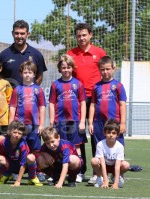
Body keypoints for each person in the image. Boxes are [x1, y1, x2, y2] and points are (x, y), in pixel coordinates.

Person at [67, 23, 106, 183]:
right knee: (79, 135)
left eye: (84, 35)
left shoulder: (99, 52)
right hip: (78, 100)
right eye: (78, 36)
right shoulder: (71, 54)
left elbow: (106, 72)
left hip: (97, 98)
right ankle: (79, 170)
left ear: (90, 35)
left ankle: (97, 172)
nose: (81, 38)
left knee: (97, 135)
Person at [9, 60, 46, 181]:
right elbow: (13, 107)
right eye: (25, 72)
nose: (27, 75)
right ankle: (15, 171)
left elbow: (42, 107)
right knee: (18, 149)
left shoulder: (38, 90)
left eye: (30, 72)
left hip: (34, 125)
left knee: (35, 150)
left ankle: (37, 171)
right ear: (21, 74)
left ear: (34, 74)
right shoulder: (17, 89)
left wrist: (41, 124)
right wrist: (11, 124)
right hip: (20, 126)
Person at [49, 54, 87, 163]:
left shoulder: (78, 84)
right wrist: (52, 121)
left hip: (75, 120)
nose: (66, 70)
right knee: (58, 145)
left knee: (76, 146)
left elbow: (83, 103)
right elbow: (52, 103)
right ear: (60, 69)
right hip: (60, 121)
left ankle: (78, 170)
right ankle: (58, 171)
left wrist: (83, 121)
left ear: (72, 68)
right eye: (64, 67)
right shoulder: (55, 85)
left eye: (69, 67)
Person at [0, 120, 43, 187]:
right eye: (15, 132)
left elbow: (23, 165)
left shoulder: (23, 145)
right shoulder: (3, 142)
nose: (17, 135)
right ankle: (7, 174)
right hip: (10, 165)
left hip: (23, 167)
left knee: (31, 157)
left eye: (19, 133)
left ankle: (32, 177)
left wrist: (18, 181)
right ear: (9, 132)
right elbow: (1, 156)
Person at [88, 56, 127, 146]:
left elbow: (122, 105)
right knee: (100, 148)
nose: (105, 72)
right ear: (99, 70)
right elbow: (93, 105)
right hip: (98, 122)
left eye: (108, 69)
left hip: (114, 122)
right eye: (102, 69)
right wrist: (90, 123)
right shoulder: (96, 86)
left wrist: (123, 123)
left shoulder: (118, 86)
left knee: (117, 148)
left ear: (113, 69)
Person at [0, 20, 47, 88]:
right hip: (10, 97)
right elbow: (0, 78)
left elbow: (39, 77)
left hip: (30, 97)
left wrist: (29, 91)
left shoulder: (37, 55)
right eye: (16, 33)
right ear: (12, 33)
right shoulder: (4, 55)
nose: (19, 36)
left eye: (22, 33)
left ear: (28, 34)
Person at [90, 119, 130, 189]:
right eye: (108, 132)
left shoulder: (120, 146)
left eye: (113, 133)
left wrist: (116, 183)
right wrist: (105, 180)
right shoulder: (100, 144)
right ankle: (100, 178)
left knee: (126, 165)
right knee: (94, 161)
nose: (111, 135)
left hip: (114, 166)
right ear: (104, 133)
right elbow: (102, 163)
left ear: (117, 134)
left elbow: (117, 165)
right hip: (104, 166)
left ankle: (115, 177)